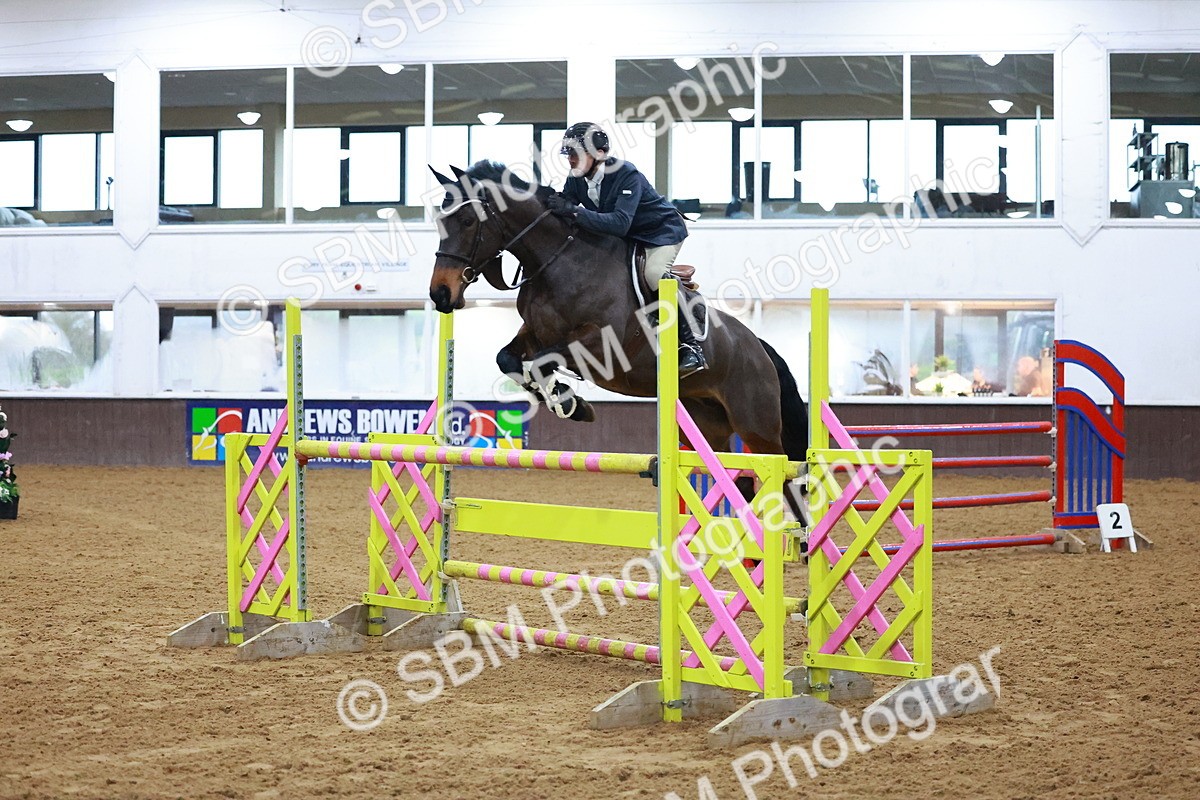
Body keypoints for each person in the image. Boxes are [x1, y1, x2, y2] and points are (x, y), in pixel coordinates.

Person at [546, 122, 706, 376]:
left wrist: (574, 211)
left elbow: (619, 223)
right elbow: (566, 207)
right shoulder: (576, 179)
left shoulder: (625, 173)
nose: (571, 160)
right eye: (569, 155)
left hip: (660, 232)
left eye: (576, 153)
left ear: (598, 154)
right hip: (628, 235)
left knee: (653, 273)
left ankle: (690, 345)